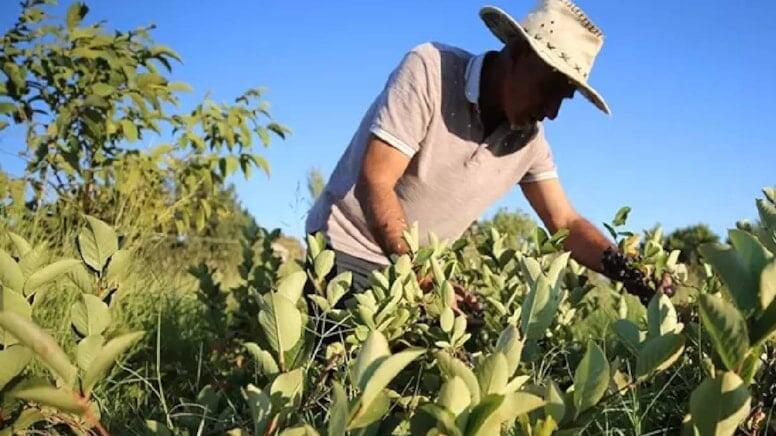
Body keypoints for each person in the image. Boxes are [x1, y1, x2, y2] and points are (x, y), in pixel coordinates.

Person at [306, 0, 667, 302]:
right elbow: (376, 179)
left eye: (564, 98)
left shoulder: (529, 142)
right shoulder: (431, 69)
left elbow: (565, 222)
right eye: (549, 89)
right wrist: (429, 284)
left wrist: (633, 275)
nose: (553, 111)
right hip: (344, 252)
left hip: (412, 277)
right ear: (518, 54)